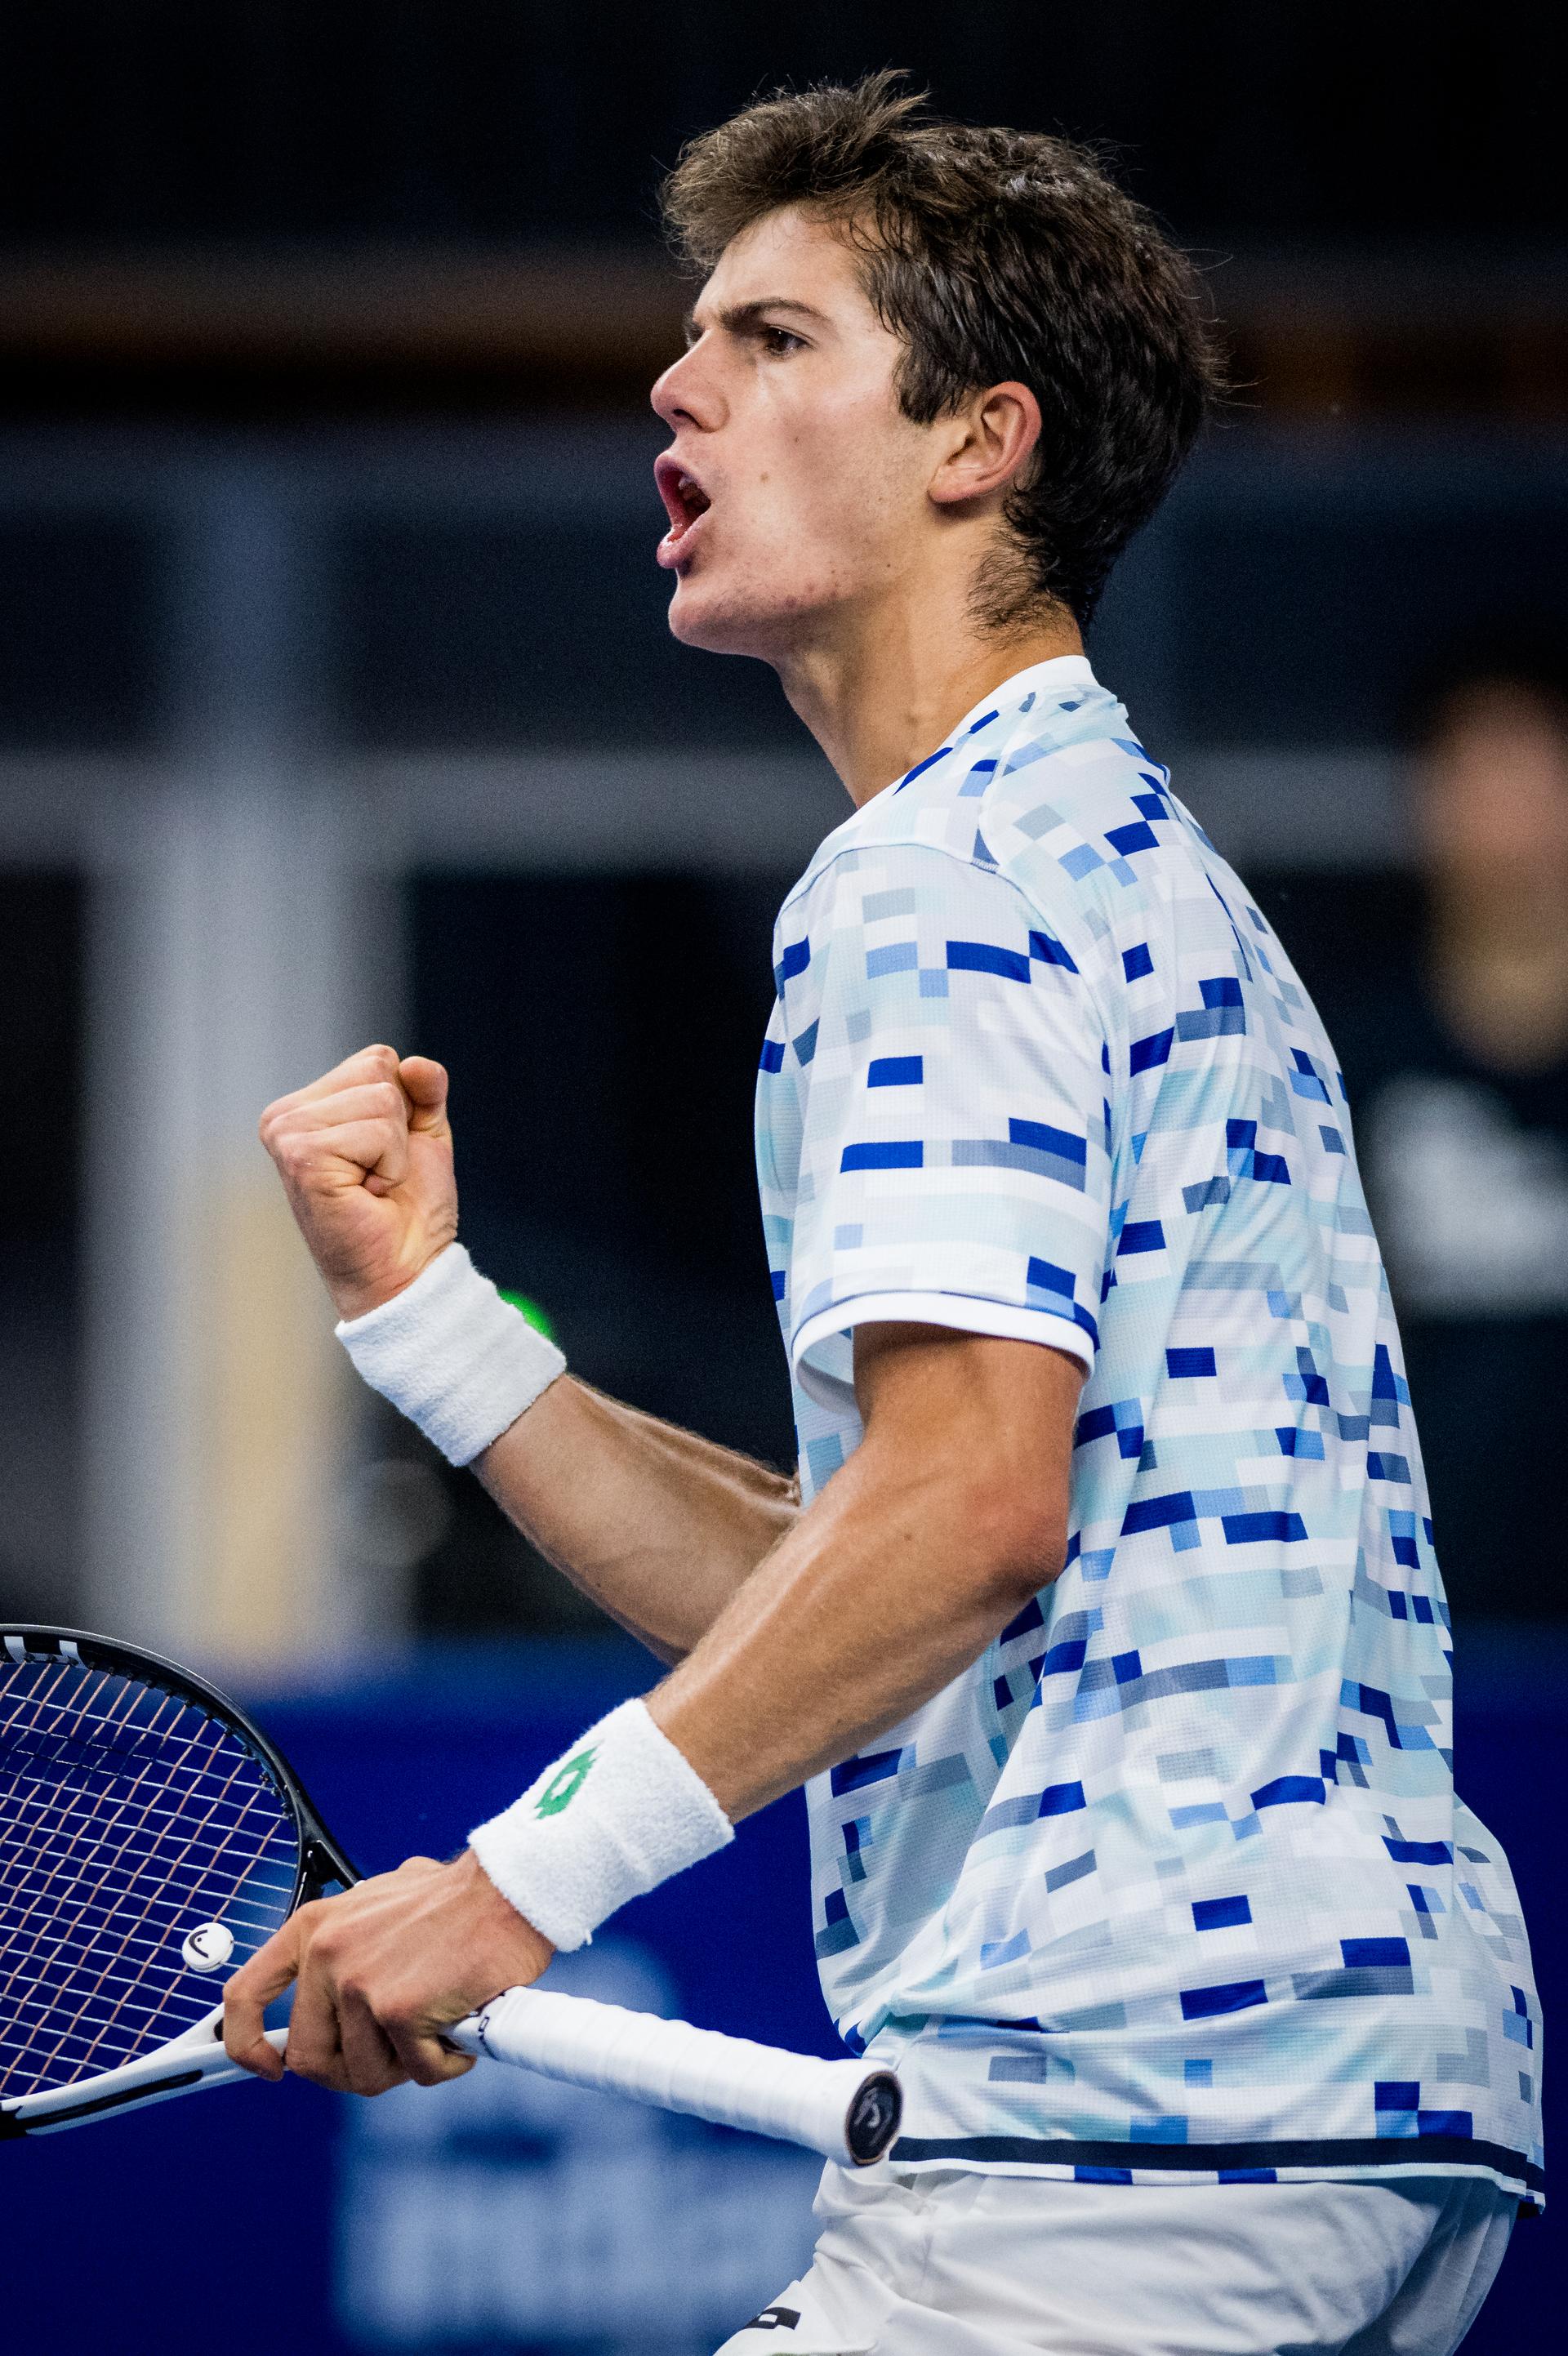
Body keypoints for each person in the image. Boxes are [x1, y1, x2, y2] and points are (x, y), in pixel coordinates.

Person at [227, 76, 1541, 2356]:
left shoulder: (937, 875)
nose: (677, 385)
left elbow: (961, 1522)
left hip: (1122, 2125)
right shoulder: (1132, 863)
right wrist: (433, 1321)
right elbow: (865, 1593)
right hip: (1356, 2103)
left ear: (978, 442)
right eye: (692, 340)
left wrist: (512, 1886)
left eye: (771, 339)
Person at [1325, 643, 1568, 1623]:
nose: (1505, 811)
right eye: (1472, 772)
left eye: (1531, 768)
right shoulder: (1345, 1052)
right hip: (1418, 1620)